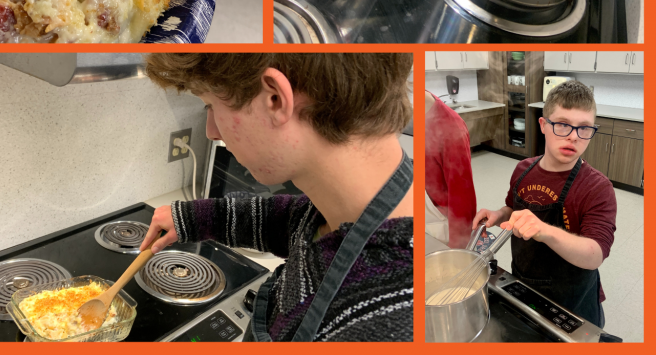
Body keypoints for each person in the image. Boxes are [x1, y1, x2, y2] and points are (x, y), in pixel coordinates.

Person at [141, 53, 414, 342]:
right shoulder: (348, 209)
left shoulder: (383, 327)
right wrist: (194, 218)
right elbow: (294, 222)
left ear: (275, 99)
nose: (211, 132)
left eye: (210, 105)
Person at [473, 81, 616, 327]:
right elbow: (513, 208)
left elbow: (595, 254)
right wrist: (499, 214)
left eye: (584, 128)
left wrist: (544, 231)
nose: (573, 136)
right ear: (543, 125)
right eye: (562, 125)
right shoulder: (522, 170)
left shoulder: (597, 188)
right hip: (524, 283)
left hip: (572, 301)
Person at [425, 91, 477, 248]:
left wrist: (459, 247)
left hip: (439, 226)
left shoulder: (451, 127)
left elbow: (462, 197)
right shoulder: (402, 116)